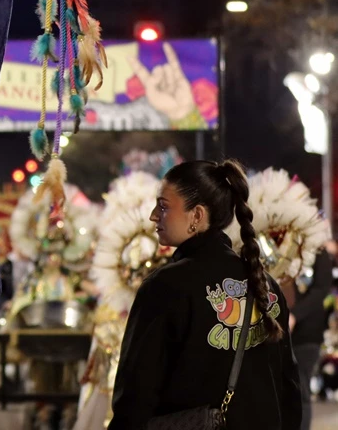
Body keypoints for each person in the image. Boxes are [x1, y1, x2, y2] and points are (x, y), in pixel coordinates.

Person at [110, 160, 302, 429]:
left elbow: (136, 394)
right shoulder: (267, 285)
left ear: (197, 216)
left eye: (163, 206)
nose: (154, 215)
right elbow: (289, 389)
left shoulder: (165, 286)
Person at [290, 245, 335, 430]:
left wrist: (294, 315)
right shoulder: (273, 243)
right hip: (276, 331)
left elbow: (321, 289)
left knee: (300, 389)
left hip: (306, 334)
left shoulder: (318, 250)